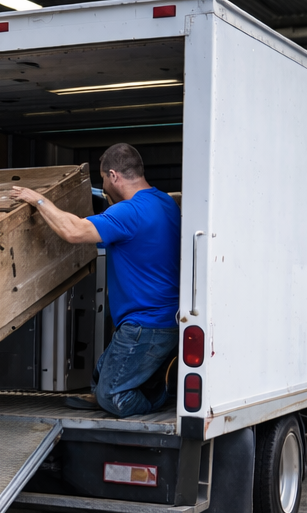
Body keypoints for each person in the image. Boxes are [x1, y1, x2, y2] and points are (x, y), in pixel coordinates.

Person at [10, 142, 181, 417]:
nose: (103, 187)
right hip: (163, 322)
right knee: (101, 375)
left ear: (113, 175)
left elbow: (73, 231)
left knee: (112, 396)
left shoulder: (129, 212)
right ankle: (123, 389)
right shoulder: (166, 203)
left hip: (146, 325)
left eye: (103, 179)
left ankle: (159, 397)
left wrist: (37, 199)